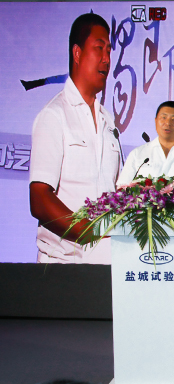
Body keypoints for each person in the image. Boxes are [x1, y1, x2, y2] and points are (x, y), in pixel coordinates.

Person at [29, 13, 121, 264]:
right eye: (99, 48)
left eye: (109, 51)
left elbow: (114, 192)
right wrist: (89, 232)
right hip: (62, 267)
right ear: (77, 53)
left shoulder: (108, 122)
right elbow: (39, 199)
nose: (106, 59)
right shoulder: (54, 115)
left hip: (104, 267)